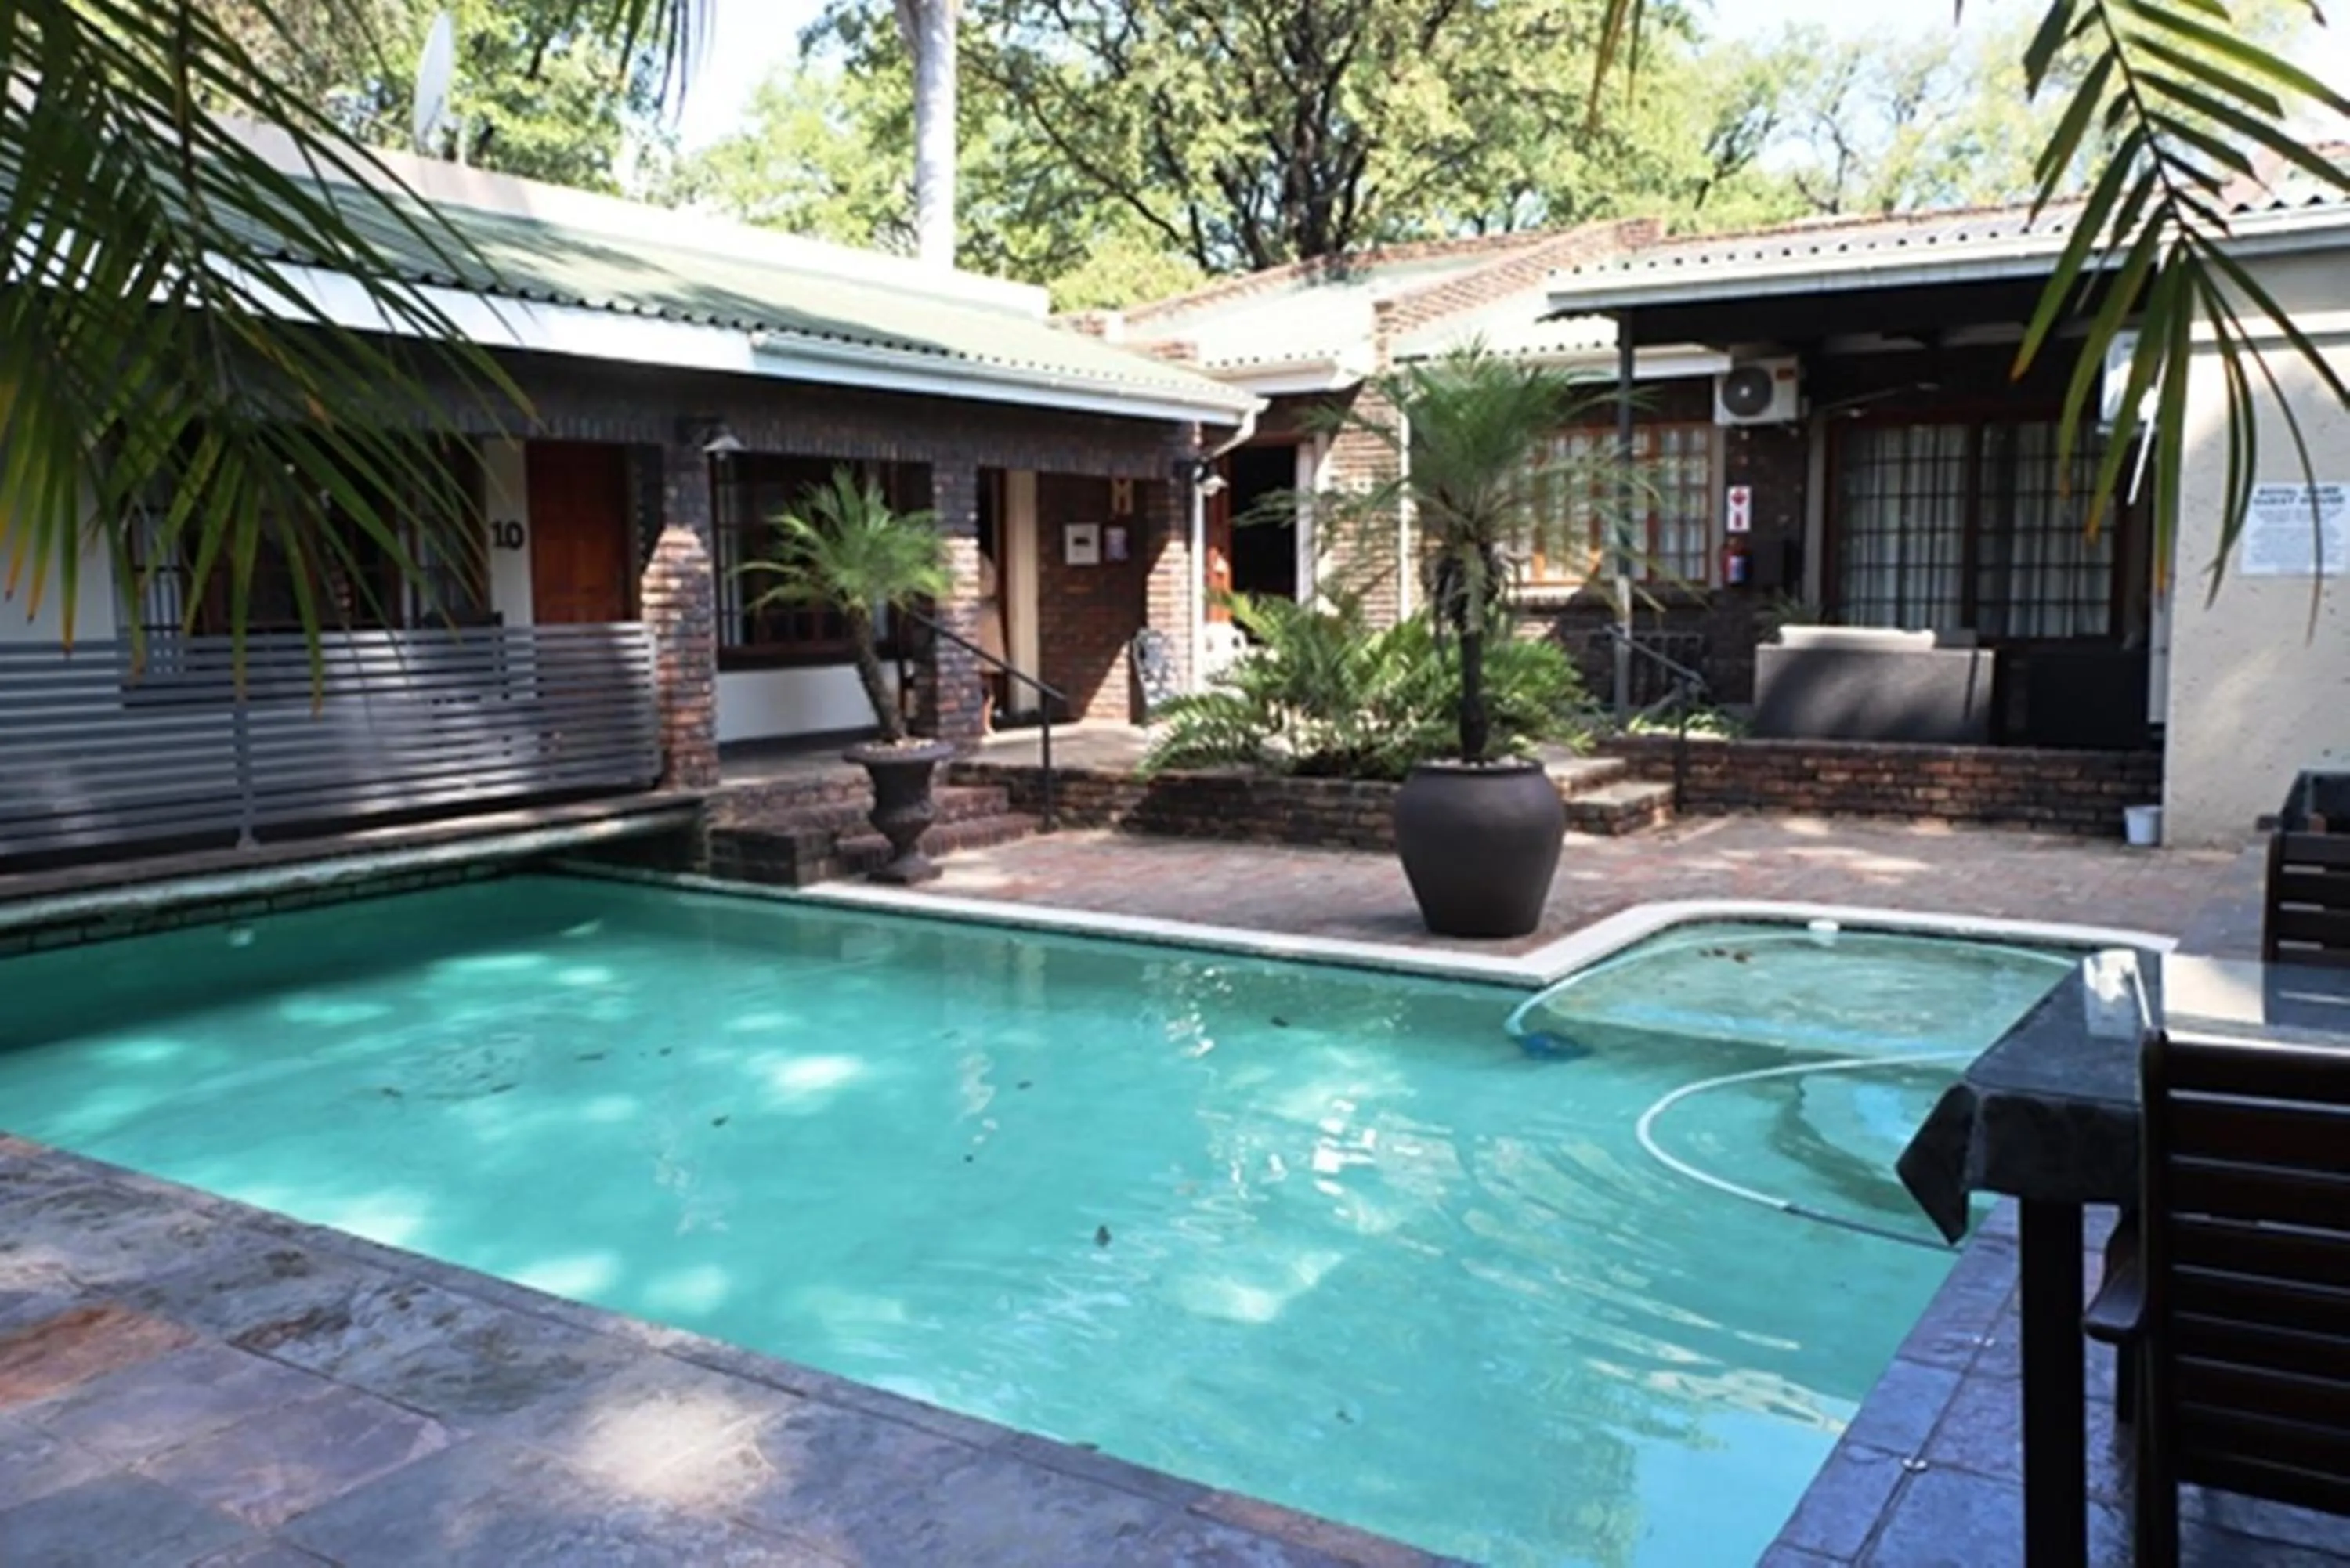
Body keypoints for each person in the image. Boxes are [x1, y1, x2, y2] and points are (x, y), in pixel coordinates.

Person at [976, 548, 1008, 733]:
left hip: (984, 625)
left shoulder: (983, 562)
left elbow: (989, 585)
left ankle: (985, 723)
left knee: (986, 679)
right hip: (977, 621)